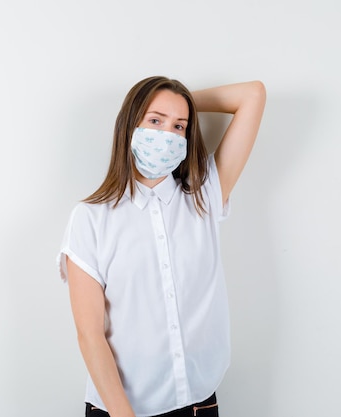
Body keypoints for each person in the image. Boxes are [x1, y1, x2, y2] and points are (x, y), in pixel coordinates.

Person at [57, 76, 266, 417]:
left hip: (199, 402)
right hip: (121, 409)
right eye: (155, 120)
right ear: (131, 125)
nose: (167, 135)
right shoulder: (90, 218)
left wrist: (180, 103)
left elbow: (253, 94)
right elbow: (90, 333)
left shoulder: (204, 198)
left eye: (179, 126)